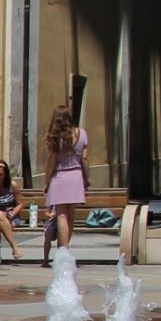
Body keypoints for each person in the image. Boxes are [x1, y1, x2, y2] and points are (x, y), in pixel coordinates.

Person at [43, 105, 88, 264]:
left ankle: (63, 251)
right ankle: (66, 252)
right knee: (71, 216)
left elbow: (51, 163)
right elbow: (84, 160)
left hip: (60, 176)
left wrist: (47, 182)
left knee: (61, 215)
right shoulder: (82, 134)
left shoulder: (55, 137)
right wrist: (86, 179)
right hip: (76, 175)